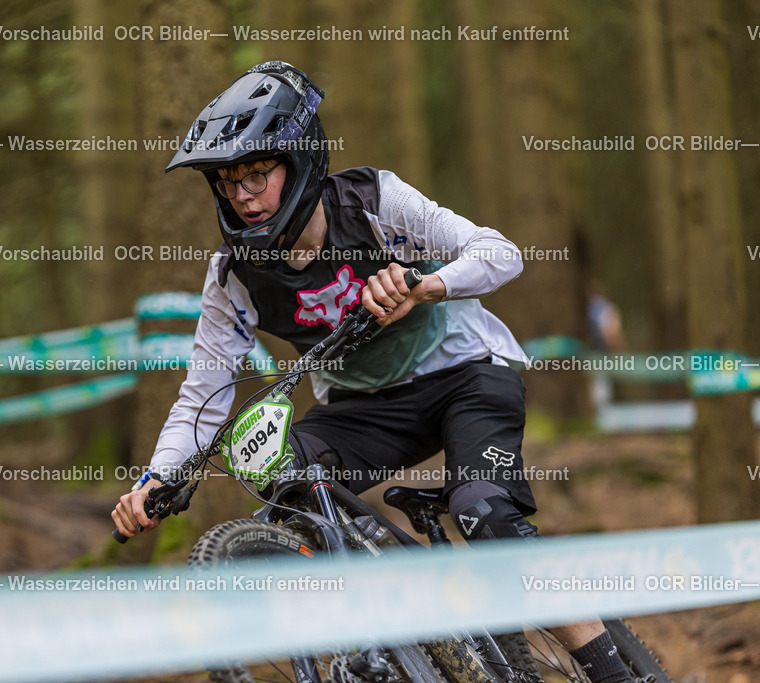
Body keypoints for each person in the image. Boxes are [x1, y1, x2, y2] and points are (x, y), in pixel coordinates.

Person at [112, 61, 636, 683]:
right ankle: (406, 628)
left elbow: (502, 254)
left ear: (300, 161)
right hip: (365, 411)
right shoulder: (232, 276)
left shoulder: (373, 200)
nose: (243, 193)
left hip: (466, 374)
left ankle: (621, 673)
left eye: (258, 173)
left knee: (482, 511)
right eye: (229, 181)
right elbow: (203, 394)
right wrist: (154, 479)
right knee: (283, 478)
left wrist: (427, 284)